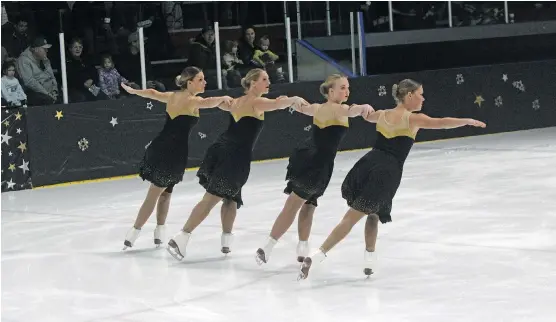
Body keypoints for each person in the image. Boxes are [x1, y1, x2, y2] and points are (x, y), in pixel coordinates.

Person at [298, 79, 486, 280]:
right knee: (354, 216)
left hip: (368, 163)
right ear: (410, 95)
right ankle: (318, 254)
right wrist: (466, 121)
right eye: (421, 94)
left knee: (374, 213)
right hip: (386, 171)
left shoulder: (382, 115)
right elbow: (441, 123)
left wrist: (357, 107)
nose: (423, 98)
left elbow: (365, 115)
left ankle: (369, 259)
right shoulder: (413, 119)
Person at [166, 68, 307, 260]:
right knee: (211, 198)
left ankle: (226, 241)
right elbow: (276, 104)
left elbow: (227, 104)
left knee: (231, 197)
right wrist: (293, 99)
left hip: (222, 149)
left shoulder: (237, 101)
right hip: (234, 156)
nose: (268, 82)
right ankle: (182, 236)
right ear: (253, 83)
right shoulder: (257, 101)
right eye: (264, 79)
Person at [255, 74, 374, 265]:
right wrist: (364, 108)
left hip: (316, 161)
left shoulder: (318, 108)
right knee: (293, 205)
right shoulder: (340, 109)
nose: (347, 91)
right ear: (331, 91)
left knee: (309, 205)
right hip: (315, 164)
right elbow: (354, 111)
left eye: (348, 87)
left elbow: (301, 106)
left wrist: (292, 100)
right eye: (342, 88)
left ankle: (302, 247)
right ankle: (266, 247)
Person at [121, 66, 233, 250]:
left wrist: (134, 91)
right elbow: (209, 102)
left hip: (163, 147)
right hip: (170, 152)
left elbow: (151, 93)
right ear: (189, 83)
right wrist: (223, 98)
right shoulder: (192, 101)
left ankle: (159, 232)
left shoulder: (172, 96)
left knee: (166, 193)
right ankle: (133, 233)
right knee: (155, 194)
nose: (205, 82)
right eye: (200, 80)